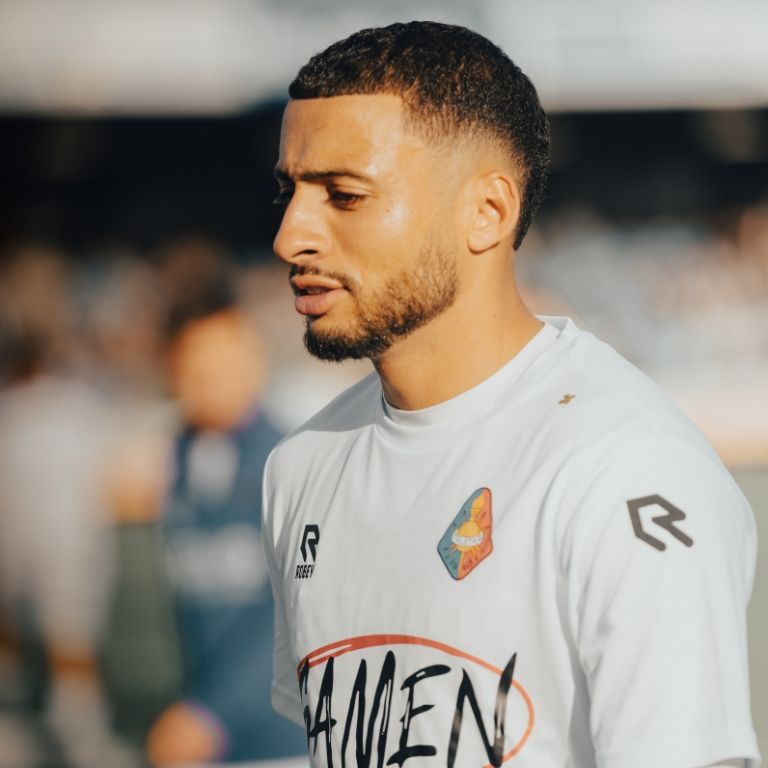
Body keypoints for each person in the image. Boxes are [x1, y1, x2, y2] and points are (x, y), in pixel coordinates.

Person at [262, 20, 759, 768]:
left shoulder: (627, 469)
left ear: (488, 212)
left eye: (344, 195)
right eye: (290, 191)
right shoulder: (300, 466)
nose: (291, 235)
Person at [146, 286, 306, 765]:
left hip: (281, 740)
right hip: (200, 736)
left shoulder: (290, 462)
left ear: (254, 360)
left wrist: (211, 714)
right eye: (196, 366)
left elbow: (292, 616)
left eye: (226, 360)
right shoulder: (172, 460)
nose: (212, 380)